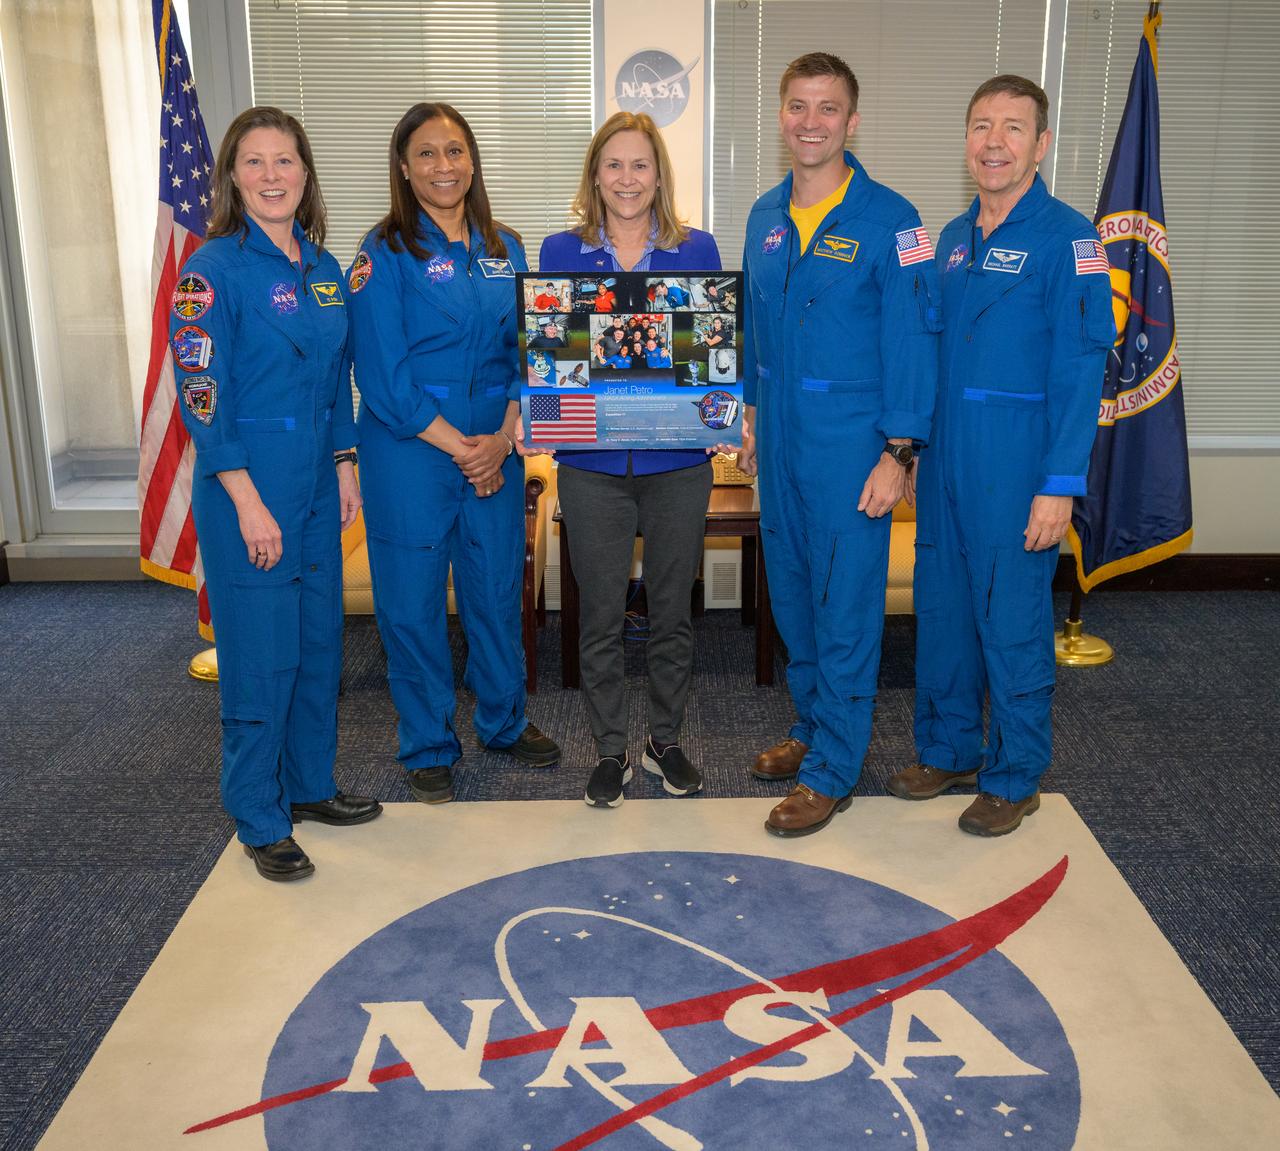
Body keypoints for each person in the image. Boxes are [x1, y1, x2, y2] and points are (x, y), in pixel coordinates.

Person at [887, 76, 1114, 836]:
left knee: (1011, 618)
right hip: (946, 459)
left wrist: (1059, 484)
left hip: (1019, 466)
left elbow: (1083, 367)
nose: (994, 141)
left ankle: (1015, 773)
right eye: (981, 124)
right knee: (944, 610)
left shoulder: (1072, 240)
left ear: (1041, 144)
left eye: (1013, 128)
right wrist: (914, 448)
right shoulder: (949, 242)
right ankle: (949, 748)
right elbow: (928, 351)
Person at [170, 106, 380, 883]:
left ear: (304, 173)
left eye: (284, 161)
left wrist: (348, 465)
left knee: (319, 644)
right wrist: (245, 498)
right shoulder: (212, 270)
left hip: (319, 488)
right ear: (231, 176)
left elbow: (337, 384)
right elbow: (203, 392)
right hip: (247, 487)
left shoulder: (324, 270)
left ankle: (311, 787)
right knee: (262, 657)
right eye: (254, 162)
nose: (270, 176)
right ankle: (260, 813)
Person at [739, 52, 941, 836]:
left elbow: (914, 344)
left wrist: (900, 452)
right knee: (791, 594)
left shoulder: (897, 222)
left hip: (854, 447)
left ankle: (833, 770)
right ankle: (815, 724)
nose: (811, 121)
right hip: (781, 439)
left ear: (851, 122)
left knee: (847, 607)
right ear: (782, 116)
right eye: (798, 106)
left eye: (827, 108)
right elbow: (757, 329)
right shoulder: (763, 216)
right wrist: (751, 415)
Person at [346, 102, 560, 806]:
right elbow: (383, 378)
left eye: (456, 151)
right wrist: (462, 448)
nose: (445, 166)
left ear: (473, 162)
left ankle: (503, 721)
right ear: (404, 169)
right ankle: (429, 741)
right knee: (410, 603)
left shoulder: (508, 249)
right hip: (411, 449)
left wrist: (500, 440)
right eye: (428, 154)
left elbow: (532, 359)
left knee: (495, 590)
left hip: (493, 445)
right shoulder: (382, 254)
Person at [534, 111, 721, 809]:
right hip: (591, 466)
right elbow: (550, 358)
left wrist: (726, 413)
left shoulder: (695, 249)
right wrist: (538, 409)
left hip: (678, 464)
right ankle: (610, 748)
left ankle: (664, 740)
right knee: (601, 616)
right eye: (613, 165)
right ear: (595, 175)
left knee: (673, 613)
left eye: (640, 165)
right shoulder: (561, 250)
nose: (627, 178)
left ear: (658, 175)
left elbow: (711, 354)